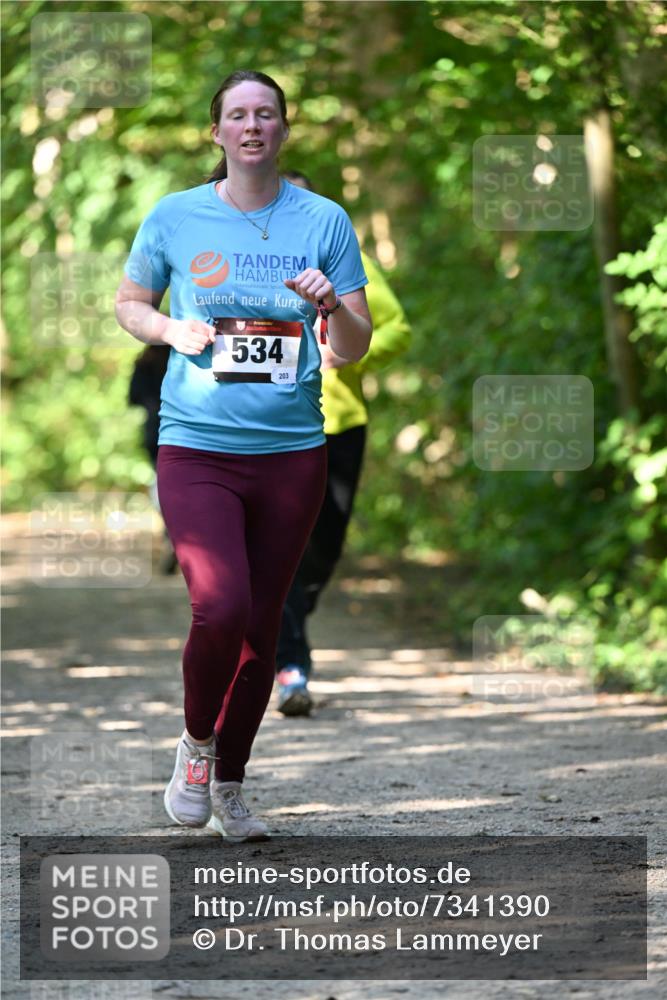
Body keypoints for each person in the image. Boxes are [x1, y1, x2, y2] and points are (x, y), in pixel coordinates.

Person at [115, 70, 372, 842]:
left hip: (292, 452)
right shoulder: (175, 216)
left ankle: (229, 785)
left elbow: (353, 347)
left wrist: (330, 304)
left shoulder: (324, 219)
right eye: (237, 114)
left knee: (262, 628)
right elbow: (130, 303)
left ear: (283, 130)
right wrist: (169, 332)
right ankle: (195, 746)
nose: (252, 125)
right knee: (219, 606)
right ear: (218, 132)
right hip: (196, 445)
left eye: (266, 114)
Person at [275, 171, 411, 716]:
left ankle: (288, 620)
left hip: (340, 421)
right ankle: (290, 664)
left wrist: (344, 352)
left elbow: (397, 330)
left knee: (324, 548)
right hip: (275, 426)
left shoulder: (347, 254)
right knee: (281, 547)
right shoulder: (243, 257)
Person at [128, 345, 179, 574]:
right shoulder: (187, 355)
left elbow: (132, 397)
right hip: (187, 429)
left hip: (157, 432)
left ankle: (173, 532)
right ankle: (178, 533)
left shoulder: (144, 363)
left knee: (163, 485)